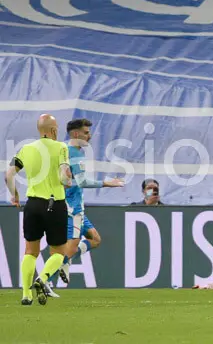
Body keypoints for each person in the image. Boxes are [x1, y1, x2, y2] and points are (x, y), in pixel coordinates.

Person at [5, 114, 72, 305]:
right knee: (58, 252)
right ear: (53, 130)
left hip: (32, 204)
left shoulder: (26, 149)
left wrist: (14, 194)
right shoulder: (61, 147)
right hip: (55, 203)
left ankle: (26, 295)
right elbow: (64, 176)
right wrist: (67, 181)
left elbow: (8, 175)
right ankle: (42, 279)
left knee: (30, 251)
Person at [57, 119, 124, 284]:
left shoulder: (64, 150)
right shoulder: (74, 153)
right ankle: (45, 280)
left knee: (95, 239)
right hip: (71, 208)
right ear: (75, 134)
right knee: (70, 249)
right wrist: (108, 183)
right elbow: (82, 182)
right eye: (86, 132)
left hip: (73, 206)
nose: (90, 136)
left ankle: (64, 264)